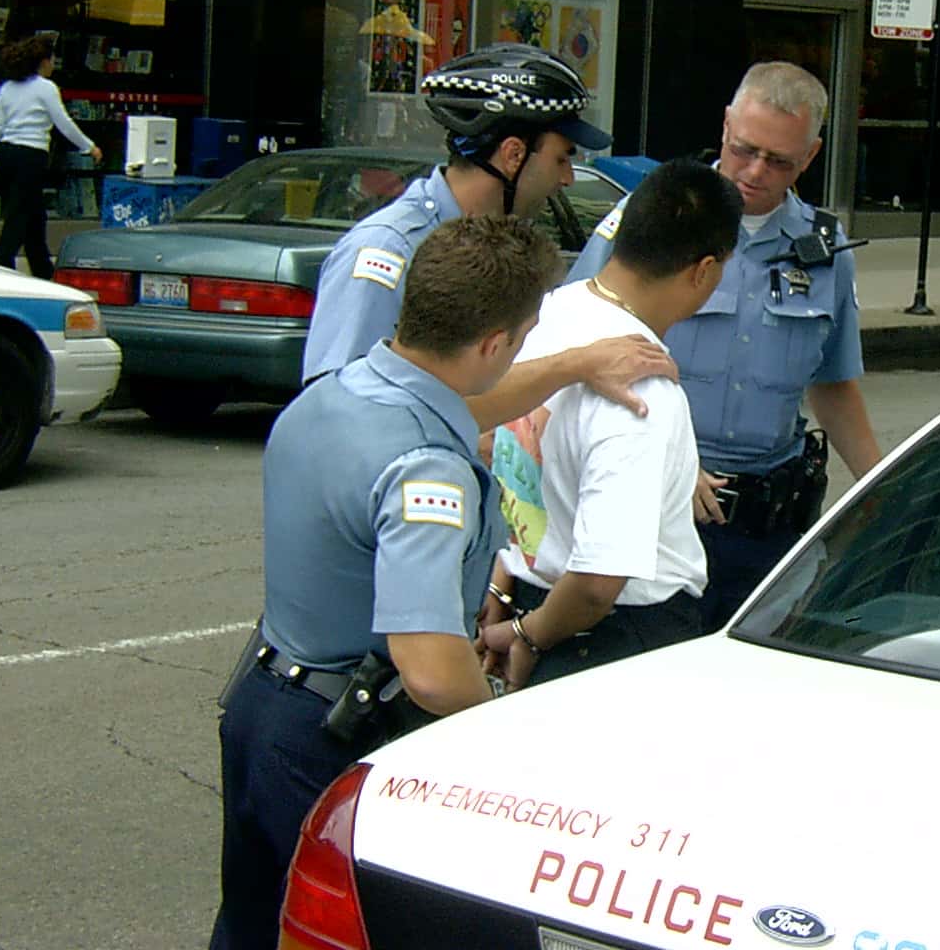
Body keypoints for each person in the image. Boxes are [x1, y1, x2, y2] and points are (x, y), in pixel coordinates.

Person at [208, 215, 563, 950]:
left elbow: (448, 408)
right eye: (526, 335)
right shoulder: (425, 467)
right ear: (494, 343)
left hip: (263, 704)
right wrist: (506, 733)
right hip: (341, 735)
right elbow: (430, 670)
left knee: (258, 924)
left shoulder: (335, 394)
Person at [568, 62, 883, 627]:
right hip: (660, 511)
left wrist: (881, 490)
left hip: (767, 526)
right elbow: (576, 342)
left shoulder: (825, 249)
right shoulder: (654, 218)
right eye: (745, 149)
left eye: (779, 160)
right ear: (724, 128)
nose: (755, 171)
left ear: (809, 158)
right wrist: (674, 460)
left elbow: (834, 385)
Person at [480, 160, 743, 688]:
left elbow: (507, 460)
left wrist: (507, 586)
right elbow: (601, 582)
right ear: (704, 271)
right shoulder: (640, 385)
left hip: (538, 600)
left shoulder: (548, 315)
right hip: (611, 638)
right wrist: (529, 638)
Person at [301, 41, 611, 383]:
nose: (567, 179)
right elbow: (343, 402)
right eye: (562, 159)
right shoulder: (389, 250)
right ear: (512, 155)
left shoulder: (503, 248)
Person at [0, 33, 102, 280]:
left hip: (7, 152)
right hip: (31, 154)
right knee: (19, 213)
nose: (54, 64)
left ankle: (43, 269)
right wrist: (89, 146)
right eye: (52, 59)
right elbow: (63, 123)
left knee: (33, 214)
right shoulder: (46, 89)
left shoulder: (7, 88)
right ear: (43, 61)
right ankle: (1, 264)